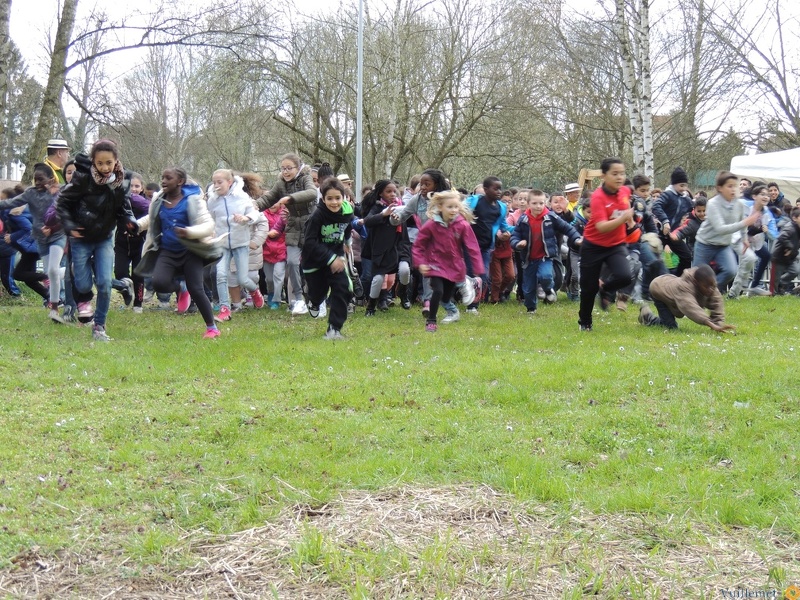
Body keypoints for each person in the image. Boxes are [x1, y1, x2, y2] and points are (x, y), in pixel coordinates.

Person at [56, 139, 137, 341]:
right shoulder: (82, 178)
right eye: (100, 163)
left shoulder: (122, 182)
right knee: (83, 286)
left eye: (109, 163)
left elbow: (124, 210)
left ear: (115, 160)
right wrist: (71, 226)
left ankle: (99, 326)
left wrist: (129, 222)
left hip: (104, 238)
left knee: (103, 283)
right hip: (81, 237)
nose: (105, 168)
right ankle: (85, 298)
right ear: (93, 162)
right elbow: (62, 203)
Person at [135, 167, 222, 339]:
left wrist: (189, 232)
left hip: (191, 251)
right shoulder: (159, 198)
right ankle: (180, 288)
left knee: (196, 289)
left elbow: (208, 225)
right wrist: (136, 225)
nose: (163, 181)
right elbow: (150, 218)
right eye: (162, 178)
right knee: (159, 283)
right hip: (167, 251)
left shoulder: (193, 200)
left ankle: (212, 328)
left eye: (168, 178)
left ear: (180, 181)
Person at [0, 163, 65, 322]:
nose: (37, 182)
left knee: (52, 271)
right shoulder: (30, 193)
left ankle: (68, 274)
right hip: (40, 239)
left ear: (50, 179)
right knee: (52, 273)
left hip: (57, 235)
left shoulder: (59, 192)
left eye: (40, 179)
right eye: (35, 179)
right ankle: (55, 309)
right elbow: (10, 203)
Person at [412, 190, 483, 332]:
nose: (453, 210)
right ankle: (431, 321)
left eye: (456, 207)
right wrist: (420, 262)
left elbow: (472, 247)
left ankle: (453, 309)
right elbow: (418, 245)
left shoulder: (463, 225)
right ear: (440, 207)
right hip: (435, 264)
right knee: (437, 290)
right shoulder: (431, 225)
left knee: (446, 296)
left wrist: (478, 266)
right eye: (449, 207)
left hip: (454, 266)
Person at [256, 153, 316, 316]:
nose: (286, 172)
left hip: (311, 225)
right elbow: (269, 198)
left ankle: (317, 298)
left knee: (313, 265)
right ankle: (298, 299)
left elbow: (312, 193)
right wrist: (255, 205)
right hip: (293, 226)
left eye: (289, 168)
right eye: (283, 168)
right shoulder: (281, 183)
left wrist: (290, 198)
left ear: (298, 168)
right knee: (291, 262)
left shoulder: (305, 178)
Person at [577, 158, 634, 331]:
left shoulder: (625, 191)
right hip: (593, 245)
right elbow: (601, 227)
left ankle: (606, 290)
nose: (619, 177)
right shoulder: (598, 198)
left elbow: (625, 206)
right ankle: (585, 322)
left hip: (616, 244)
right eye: (614, 174)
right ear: (603, 176)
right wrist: (623, 218)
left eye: (622, 173)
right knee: (588, 288)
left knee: (625, 276)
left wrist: (630, 220)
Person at [511, 189, 581, 314]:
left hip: (545, 256)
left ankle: (548, 290)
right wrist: (517, 243)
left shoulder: (550, 217)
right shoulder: (523, 219)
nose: (538, 206)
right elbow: (515, 236)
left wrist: (576, 238)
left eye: (541, 203)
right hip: (528, 259)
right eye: (534, 203)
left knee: (546, 275)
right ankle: (531, 308)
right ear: (528, 204)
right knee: (528, 287)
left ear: (545, 203)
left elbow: (567, 228)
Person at [207, 169, 265, 321]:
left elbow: (255, 214)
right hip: (223, 243)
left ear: (229, 182)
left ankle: (254, 291)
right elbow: (210, 219)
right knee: (220, 275)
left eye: (220, 182)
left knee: (242, 279)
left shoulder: (241, 197)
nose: (216, 186)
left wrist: (245, 218)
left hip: (240, 243)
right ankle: (224, 309)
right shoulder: (212, 200)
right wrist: (211, 231)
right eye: (214, 183)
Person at [301, 177, 354, 340]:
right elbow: (309, 242)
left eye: (338, 198)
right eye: (329, 199)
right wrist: (330, 258)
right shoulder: (317, 216)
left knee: (343, 288)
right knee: (319, 292)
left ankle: (334, 329)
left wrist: (347, 241)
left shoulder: (347, 211)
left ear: (343, 197)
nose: (334, 202)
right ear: (322, 199)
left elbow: (347, 225)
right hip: (314, 260)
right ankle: (313, 300)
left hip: (336, 258)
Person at [691, 171, 760, 293]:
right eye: (729, 186)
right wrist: (746, 222)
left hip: (723, 246)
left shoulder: (738, 204)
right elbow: (721, 229)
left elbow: (742, 222)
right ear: (720, 188)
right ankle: (690, 297)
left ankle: (708, 292)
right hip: (704, 244)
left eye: (735, 185)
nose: (733, 189)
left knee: (730, 271)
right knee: (696, 277)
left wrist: (744, 238)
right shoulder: (712, 204)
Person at [360, 180, 411, 315]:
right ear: (381, 193)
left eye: (394, 191)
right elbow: (368, 221)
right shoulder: (378, 208)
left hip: (400, 245)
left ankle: (403, 292)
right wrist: (384, 214)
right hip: (382, 249)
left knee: (405, 270)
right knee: (378, 279)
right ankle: (371, 306)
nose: (393, 194)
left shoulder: (402, 207)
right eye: (388, 191)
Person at [464, 176, 514, 313]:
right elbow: (459, 216)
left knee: (483, 276)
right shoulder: (474, 202)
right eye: (495, 188)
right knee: (471, 276)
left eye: (500, 188)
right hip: (469, 246)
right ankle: (471, 305)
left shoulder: (501, 208)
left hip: (486, 247)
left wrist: (519, 230)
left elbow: (504, 226)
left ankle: (472, 304)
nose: (499, 192)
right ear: (485, 189)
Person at [638, 265, 734, 333]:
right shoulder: (684, 287)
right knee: (671, 328)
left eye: (713, 286)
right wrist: (711, 324)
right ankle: (647, 316)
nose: (711, 289)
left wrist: (718, 323)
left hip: (671, 286)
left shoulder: (708, 283)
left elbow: (717, 301)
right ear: (696, 283)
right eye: (707, 286)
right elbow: (691, 308)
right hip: (659, 289)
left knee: (672, 319)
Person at [112, 173, 149, 312]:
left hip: (139, 244)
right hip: (121, 243)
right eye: (131, 186)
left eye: (137, 186)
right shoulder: (120, 201)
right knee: (119, 272)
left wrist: (137, 230)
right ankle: (127, 290)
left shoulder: (145, 204)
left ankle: (138, 304)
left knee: (138, 274)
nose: (133, 189)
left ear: (142, 188)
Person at [652, 167, 694, 276]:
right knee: (654, 260)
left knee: (687, 257)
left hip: (673, 234)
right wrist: (665, 221)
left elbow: (694, 211)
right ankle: (652, 284)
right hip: (661, 233)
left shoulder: (686, 199)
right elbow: (656, 206)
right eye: (681, 185)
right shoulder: (668, 195)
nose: (684, 188)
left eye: (685, 185)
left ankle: (677, 281)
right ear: (674, 184)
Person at [770, 207, 800, 295]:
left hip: (791, 257)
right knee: (775, 278)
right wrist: (790, 247)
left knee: (794, 271)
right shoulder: (790, 227)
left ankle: (781, 284)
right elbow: (782, 237)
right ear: (794, 218)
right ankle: (772, 294)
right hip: (779, 256)